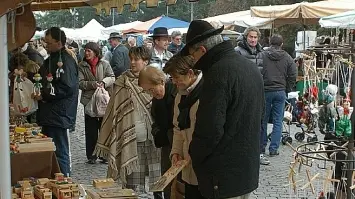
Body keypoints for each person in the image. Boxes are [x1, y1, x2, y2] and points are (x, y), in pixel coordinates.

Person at [181, 20, 264, 199]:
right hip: (245, 170)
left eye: (192, 56)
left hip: (222, 174)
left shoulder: (217, 73)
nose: (193, 61)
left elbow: (210, 129)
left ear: (202, 50)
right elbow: (260, 115)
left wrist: (195, 153)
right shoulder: (249, 67)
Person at [94, 47, 162, 199]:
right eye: (130, 58)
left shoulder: (156, 80)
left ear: (145, 61)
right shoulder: (122, 82)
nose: (132, 62)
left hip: (153, 138)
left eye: (136, 59)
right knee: (132, 183)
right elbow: (114, 111)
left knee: (158, 180)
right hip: (131, 138)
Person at [36, 27, 79, 176]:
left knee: (60, 152)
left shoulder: (65, 61)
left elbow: (66, 87)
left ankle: (64, 182)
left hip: (60, 114)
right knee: (51, 151)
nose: (46, 46)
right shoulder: (51, 59)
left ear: (59, 43)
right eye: (45, 42)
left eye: (48, 43)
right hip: (50, 113)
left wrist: (44, 94)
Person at [163, 54, 204, 199]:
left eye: (176, 78)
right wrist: (175, 152)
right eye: (172, 78)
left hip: (204, 166)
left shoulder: (207, 92)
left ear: (190, 73)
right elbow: (177, 127)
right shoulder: (181, 95)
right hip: (187, 164)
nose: (174, 82)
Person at [138, 66, 177, 199]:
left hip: (178, 143)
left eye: (151, 89)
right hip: (166, 143)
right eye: (148, 91)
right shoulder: (156, 99)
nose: (151, 93)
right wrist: (157, 133)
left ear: (160, 81)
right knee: (167, 179)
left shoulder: (175, 92)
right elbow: (154, 120)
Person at [234, 26, 269, 165]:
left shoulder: (261, 52)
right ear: (246, 37)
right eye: (251, 37)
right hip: (243, 91)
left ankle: (258, 153)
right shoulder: (238, 51)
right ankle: (242, 152)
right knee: (243, 122)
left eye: (255, 37)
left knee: (259, 122)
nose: (253, 40)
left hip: (258, 92)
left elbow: (263, 71)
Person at [78, 42, 115, 164]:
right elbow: (80, 83)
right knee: (91, 130)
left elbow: (112, 77)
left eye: (89, 51)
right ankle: (92, 155)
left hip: (104, 100)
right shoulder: (82, 66)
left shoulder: (104, 64)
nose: (87, 53)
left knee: (104, 128)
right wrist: (92, 84)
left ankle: (104, 155)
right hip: (89, 101)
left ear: (95, 52)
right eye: (85, 51)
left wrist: (104, 82)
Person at [260, 35, 297, 157]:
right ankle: (274, 148)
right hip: (280, 91)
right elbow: (293, 74)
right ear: (282, 44)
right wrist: (287, 88)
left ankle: (261, 146)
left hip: (265, 90)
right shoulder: (287, 57)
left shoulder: (262, 55)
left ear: (270, 43)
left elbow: (257, 70)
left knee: (263, 120)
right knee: (278, 120)